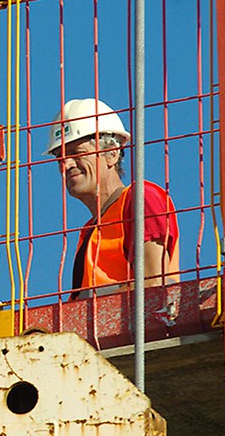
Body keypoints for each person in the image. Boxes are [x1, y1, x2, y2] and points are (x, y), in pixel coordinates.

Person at [45, 98, 179, 292]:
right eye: (61, 158)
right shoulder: (89, 232)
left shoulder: (142, 198)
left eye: (76, 153)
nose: (66, 165)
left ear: (112, 153)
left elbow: (154, 285)